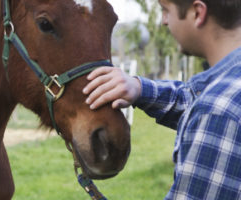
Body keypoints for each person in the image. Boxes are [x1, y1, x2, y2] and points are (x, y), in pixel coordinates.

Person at [83, 0, 241, 199]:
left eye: (166, 11)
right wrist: (139, 88)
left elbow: (212, 105)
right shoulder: (230, 83)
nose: (163, 21)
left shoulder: (216, 112)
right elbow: (197, 97)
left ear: (198, 13)